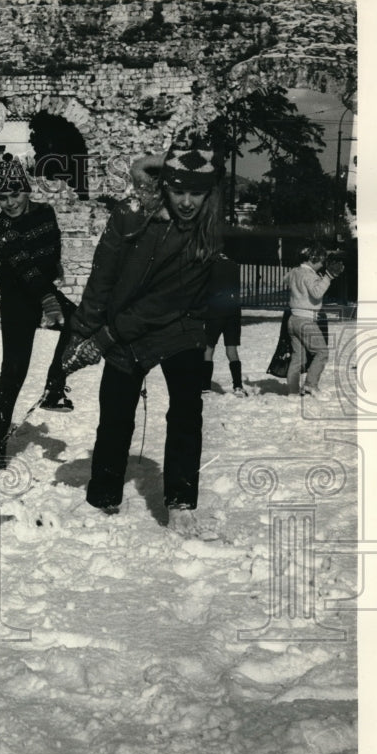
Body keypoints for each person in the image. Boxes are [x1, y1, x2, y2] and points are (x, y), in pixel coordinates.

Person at [64, 126, 224, 538]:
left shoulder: (205, 235)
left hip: (179, 328)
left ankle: (182, 502)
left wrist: (102, 339)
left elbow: (162, 304)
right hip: (124, 332)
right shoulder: (130, 216)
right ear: (164, 185)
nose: (187, 202)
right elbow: (102, 277)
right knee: (115, 415)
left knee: (186, 412)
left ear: (210, 194)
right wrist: (79, 333)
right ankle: (102, 497)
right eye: (179, 190)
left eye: (198, 193)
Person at [0, 153, 76, 470]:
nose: (9, 202)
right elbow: (25, 267)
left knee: (79, 323)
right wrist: (47, 299)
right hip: (16, 297)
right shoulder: (3, 229)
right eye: (1, 197)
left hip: (42, 288)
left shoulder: (45, 213)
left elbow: (50, 248)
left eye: (14, 194)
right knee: (14, 370)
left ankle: (54, 387)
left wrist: (55, 268)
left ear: (26, 190)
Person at [283, 244, 344, 397]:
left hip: (293, 319)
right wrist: (328, 277)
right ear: (313, 259)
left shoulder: (295, 271)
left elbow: (285, 280)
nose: (323, 265)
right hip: (306, 320)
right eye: (321, 261)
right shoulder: (309, 275)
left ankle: (292, 391)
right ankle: (310, 384)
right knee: (322, 352)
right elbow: (317, 293)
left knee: (298, 357)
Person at [202, 252, 247, 397]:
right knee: (232, 350)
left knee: (209, 348)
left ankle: (205, 385)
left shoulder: (209, 265)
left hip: (214, 311)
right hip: (233, 311)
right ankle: (238, 385)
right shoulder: (234, 265)